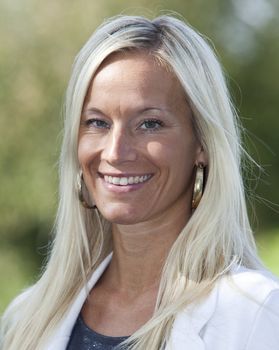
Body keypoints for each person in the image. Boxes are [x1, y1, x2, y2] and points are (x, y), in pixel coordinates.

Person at [1, 14, 279, 350]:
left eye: (149, 124)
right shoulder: (26, 318)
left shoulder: (256, 313)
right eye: (97, 122)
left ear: (202, 144)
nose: (116, 152)